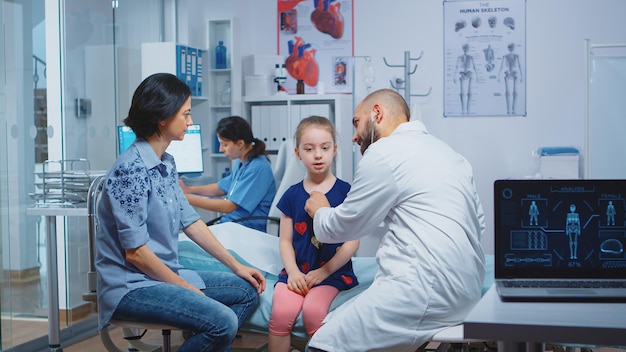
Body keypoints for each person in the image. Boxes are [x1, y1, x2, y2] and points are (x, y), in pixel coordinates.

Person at [304, 89, 486, 352]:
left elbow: (343, 227)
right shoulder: (450, 154)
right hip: (467, 289)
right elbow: (477, 223)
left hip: (422, 291)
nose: (354, 136)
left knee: (323, 343)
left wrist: (320, 210)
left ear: (376, 113)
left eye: (356, 123)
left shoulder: (383, 153)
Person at [95, 73, 266, 352]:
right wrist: (185, 288)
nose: (190, 122)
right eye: (185, 114)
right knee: (222, 321)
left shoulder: (167, 163)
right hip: (132, 287)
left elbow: (191, 221)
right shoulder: (130, 170)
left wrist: (237, 266)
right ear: (162, 117)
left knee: (246, 291)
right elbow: (135, 253)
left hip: (164, 275)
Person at [268, 116, 359, 352]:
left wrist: (324, 272)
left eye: (325, 148)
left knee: (313, 311)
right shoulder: (291, 195)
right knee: (281, 313)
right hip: (298, 272)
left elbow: (352, 242)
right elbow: (286, 241)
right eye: (309, 149)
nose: (317, 155)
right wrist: (294, 273)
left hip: (332, 273)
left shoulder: (347, 193)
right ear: (298, 153)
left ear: (334, 150)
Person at [179, 116, 276, 231]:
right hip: (233, 224)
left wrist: (186, 198)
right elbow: (221, 187)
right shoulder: (244, 162)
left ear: (240, 143)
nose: (221, 149)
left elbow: (229, 206)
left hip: (247, 228)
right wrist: (189, 189)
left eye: (224, 144)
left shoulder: (257, 167)